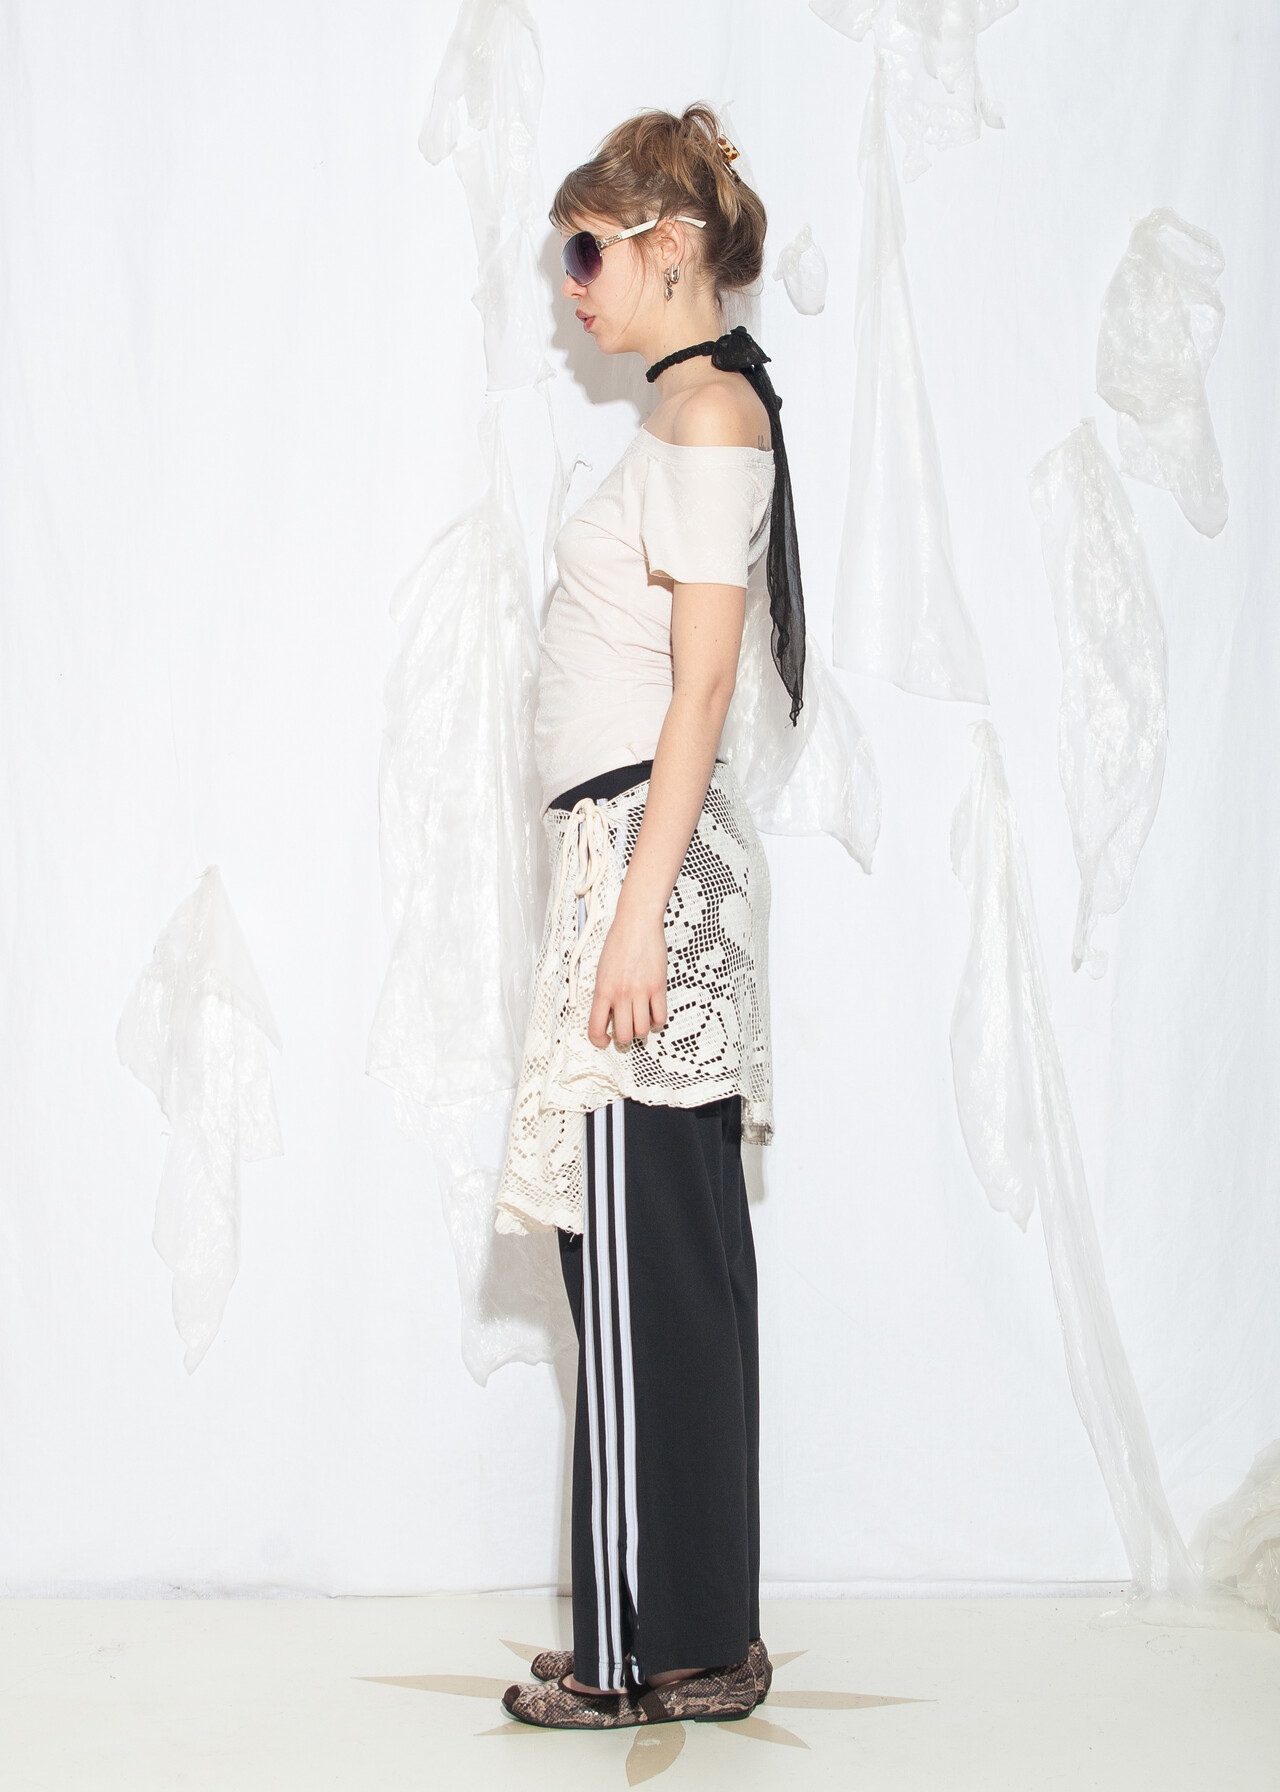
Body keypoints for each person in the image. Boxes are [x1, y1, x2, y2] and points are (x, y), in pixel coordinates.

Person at [496, 102, 807, 1732]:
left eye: (587, 251)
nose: (573, 284)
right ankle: (695, 1633)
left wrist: (633, 918)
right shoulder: (703, 406)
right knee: (667, 1264)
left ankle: (635, 1655)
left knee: (633, 1268)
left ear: (667, 245)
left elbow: (699, 688)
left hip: (645, 857)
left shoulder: (704, 415)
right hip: (639, 856)